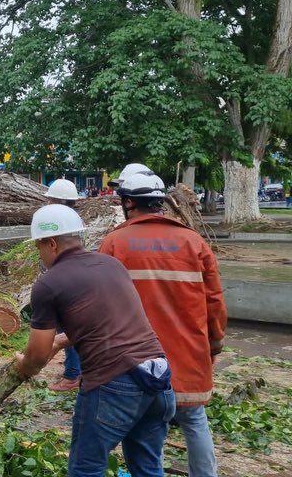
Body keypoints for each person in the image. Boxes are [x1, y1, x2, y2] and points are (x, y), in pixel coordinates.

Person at [15, 205, 175, 477]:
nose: (39, 254)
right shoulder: (111, 265)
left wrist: (23, 368)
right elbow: (107, 324)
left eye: (38, 247)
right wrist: (61, 342)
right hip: (158, 380)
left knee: (85, 469)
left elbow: (37, 355)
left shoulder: (48, 283)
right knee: (148, 469)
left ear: (51, 243)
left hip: (114, 387)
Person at [100, 169, 227, 477]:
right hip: (187, 352)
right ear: (160, 203)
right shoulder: (193, 242)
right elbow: (214, 301)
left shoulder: (114, 243)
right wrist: (214, 342)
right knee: (194, 418)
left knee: (142, 426)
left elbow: (101, 305)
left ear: (128, 203)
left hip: (135, 360)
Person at [41, 178, 83, 392]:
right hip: (75, 279)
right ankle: (77, 371)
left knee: (66, 331)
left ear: (56, 200)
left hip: (63, 281)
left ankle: (72, 375)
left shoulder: (55, 221)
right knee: (74, 330)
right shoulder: (75, 220)